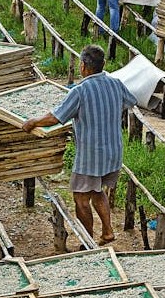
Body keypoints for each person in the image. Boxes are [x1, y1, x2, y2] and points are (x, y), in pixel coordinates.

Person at [23, 44, 137, 244]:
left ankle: (87, 242)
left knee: (81, 198)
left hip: (91, 156)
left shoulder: (80, 91)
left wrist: (33, 122)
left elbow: (55, 117)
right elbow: (131, 101)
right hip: (113, 152)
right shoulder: (116, 84)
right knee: (97, 190)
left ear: (83, 66)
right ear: (103, 64)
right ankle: (107, 232)